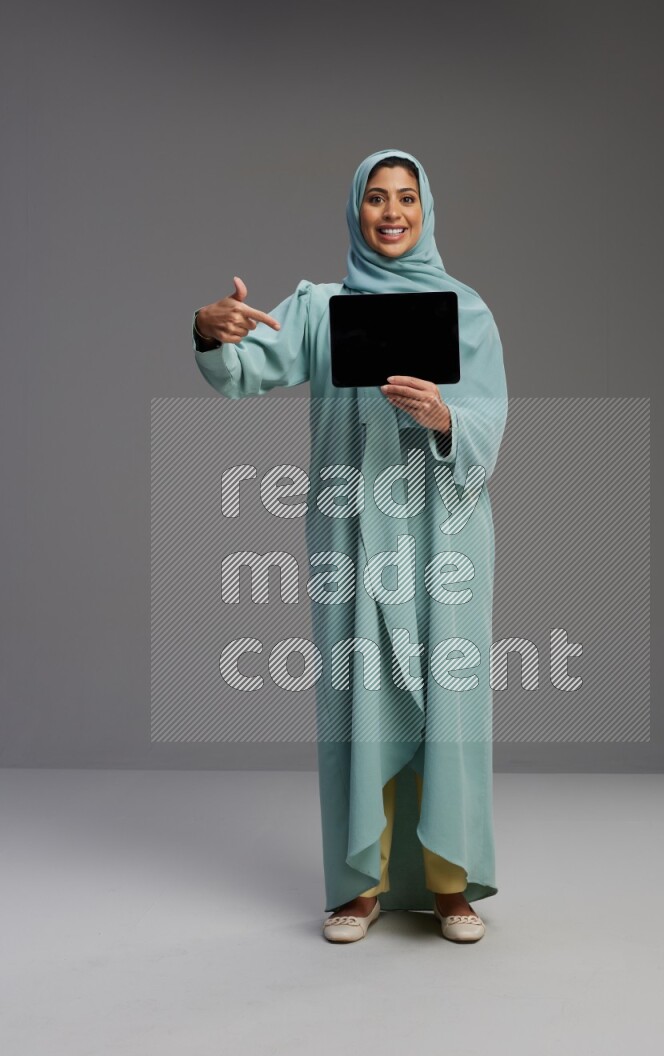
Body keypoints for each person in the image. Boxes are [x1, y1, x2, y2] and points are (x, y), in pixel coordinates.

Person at [191, 148, 508, 944]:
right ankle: (359, 883)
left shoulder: (464, 311)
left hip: (446, 534)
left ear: (426, 210)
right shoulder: (320, 307)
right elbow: (243, 372)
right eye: (376, 198)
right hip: (353, 535)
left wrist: (444, 418)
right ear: (356, 211)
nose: (392, 212)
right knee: (357, 703)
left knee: (450, 703)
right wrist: (208, 331)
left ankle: (450, 882)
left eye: (406, 197)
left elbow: (489, 428)